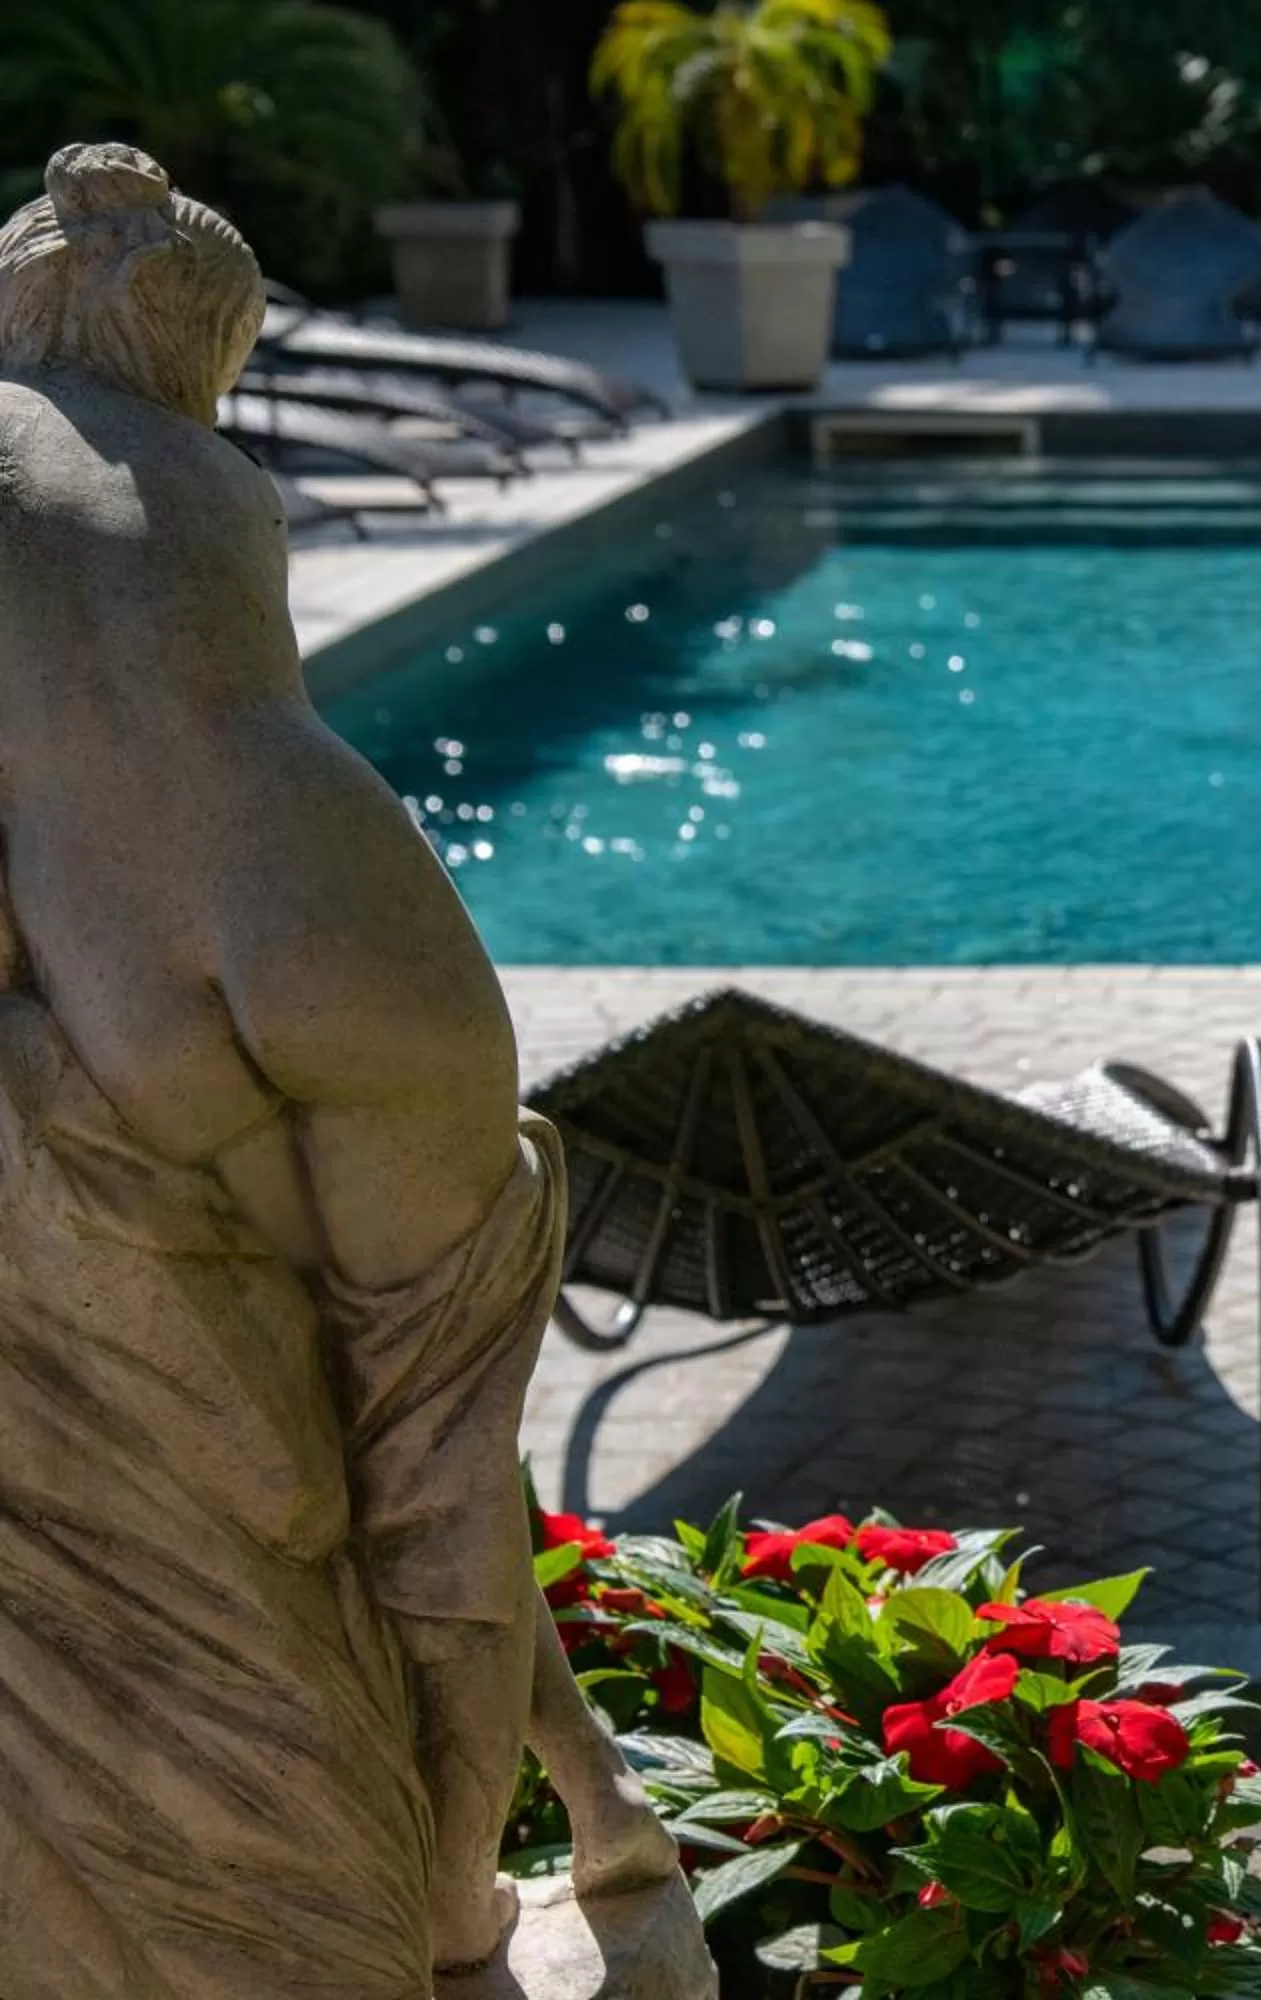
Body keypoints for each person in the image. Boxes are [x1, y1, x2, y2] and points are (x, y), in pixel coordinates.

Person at [0, 143, 686, 1996]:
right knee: (435, 1460)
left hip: (97, 988)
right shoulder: (200, 475)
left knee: (343, 1467)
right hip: (334, 920)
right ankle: (476, 1891)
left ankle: (483, 1882)